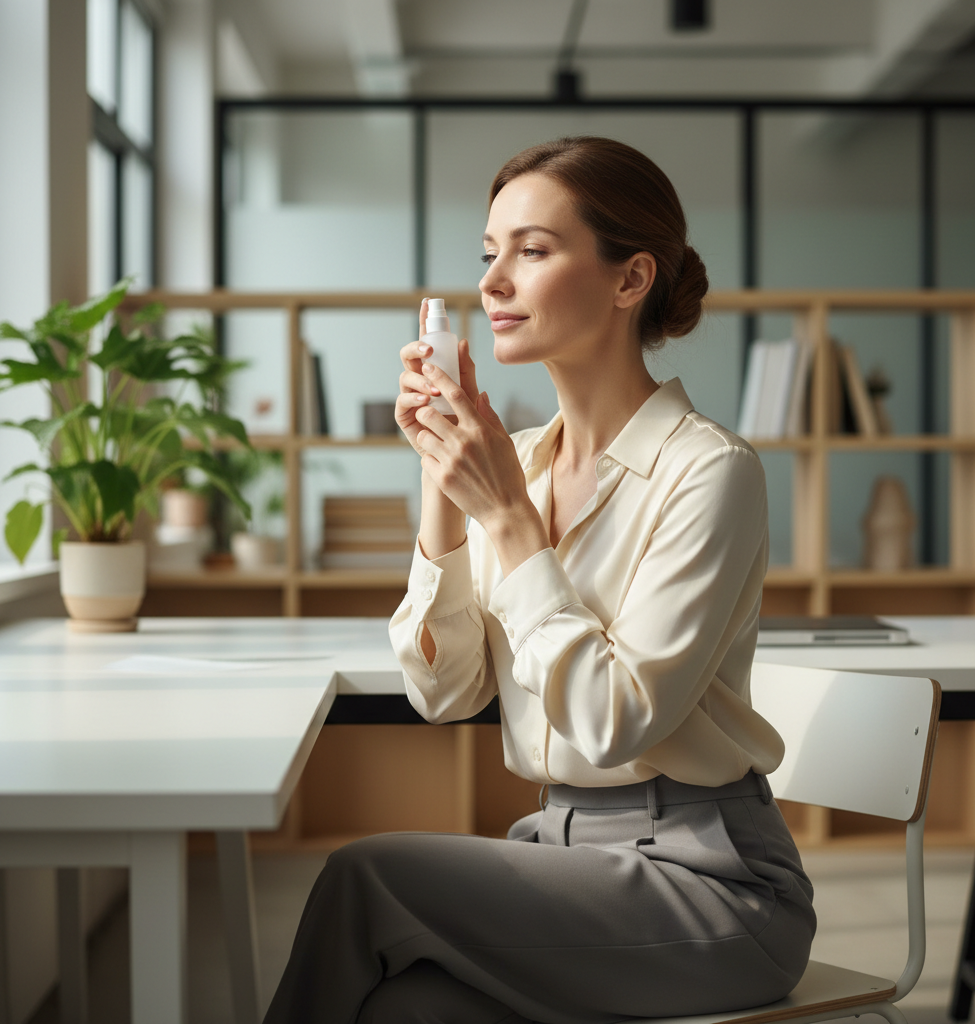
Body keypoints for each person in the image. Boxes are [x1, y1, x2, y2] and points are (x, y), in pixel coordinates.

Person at [263, 136, 815, 1024]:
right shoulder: (515, 462)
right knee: (403, 1012)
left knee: (362, 876)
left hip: (712, 887)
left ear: (631, 280)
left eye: (533, 249)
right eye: (490, 254)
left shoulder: (711, 472)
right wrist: (443, 485)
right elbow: (443, 692)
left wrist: (511, 523)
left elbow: (613, 722)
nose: (492, 283)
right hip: (562, 858)